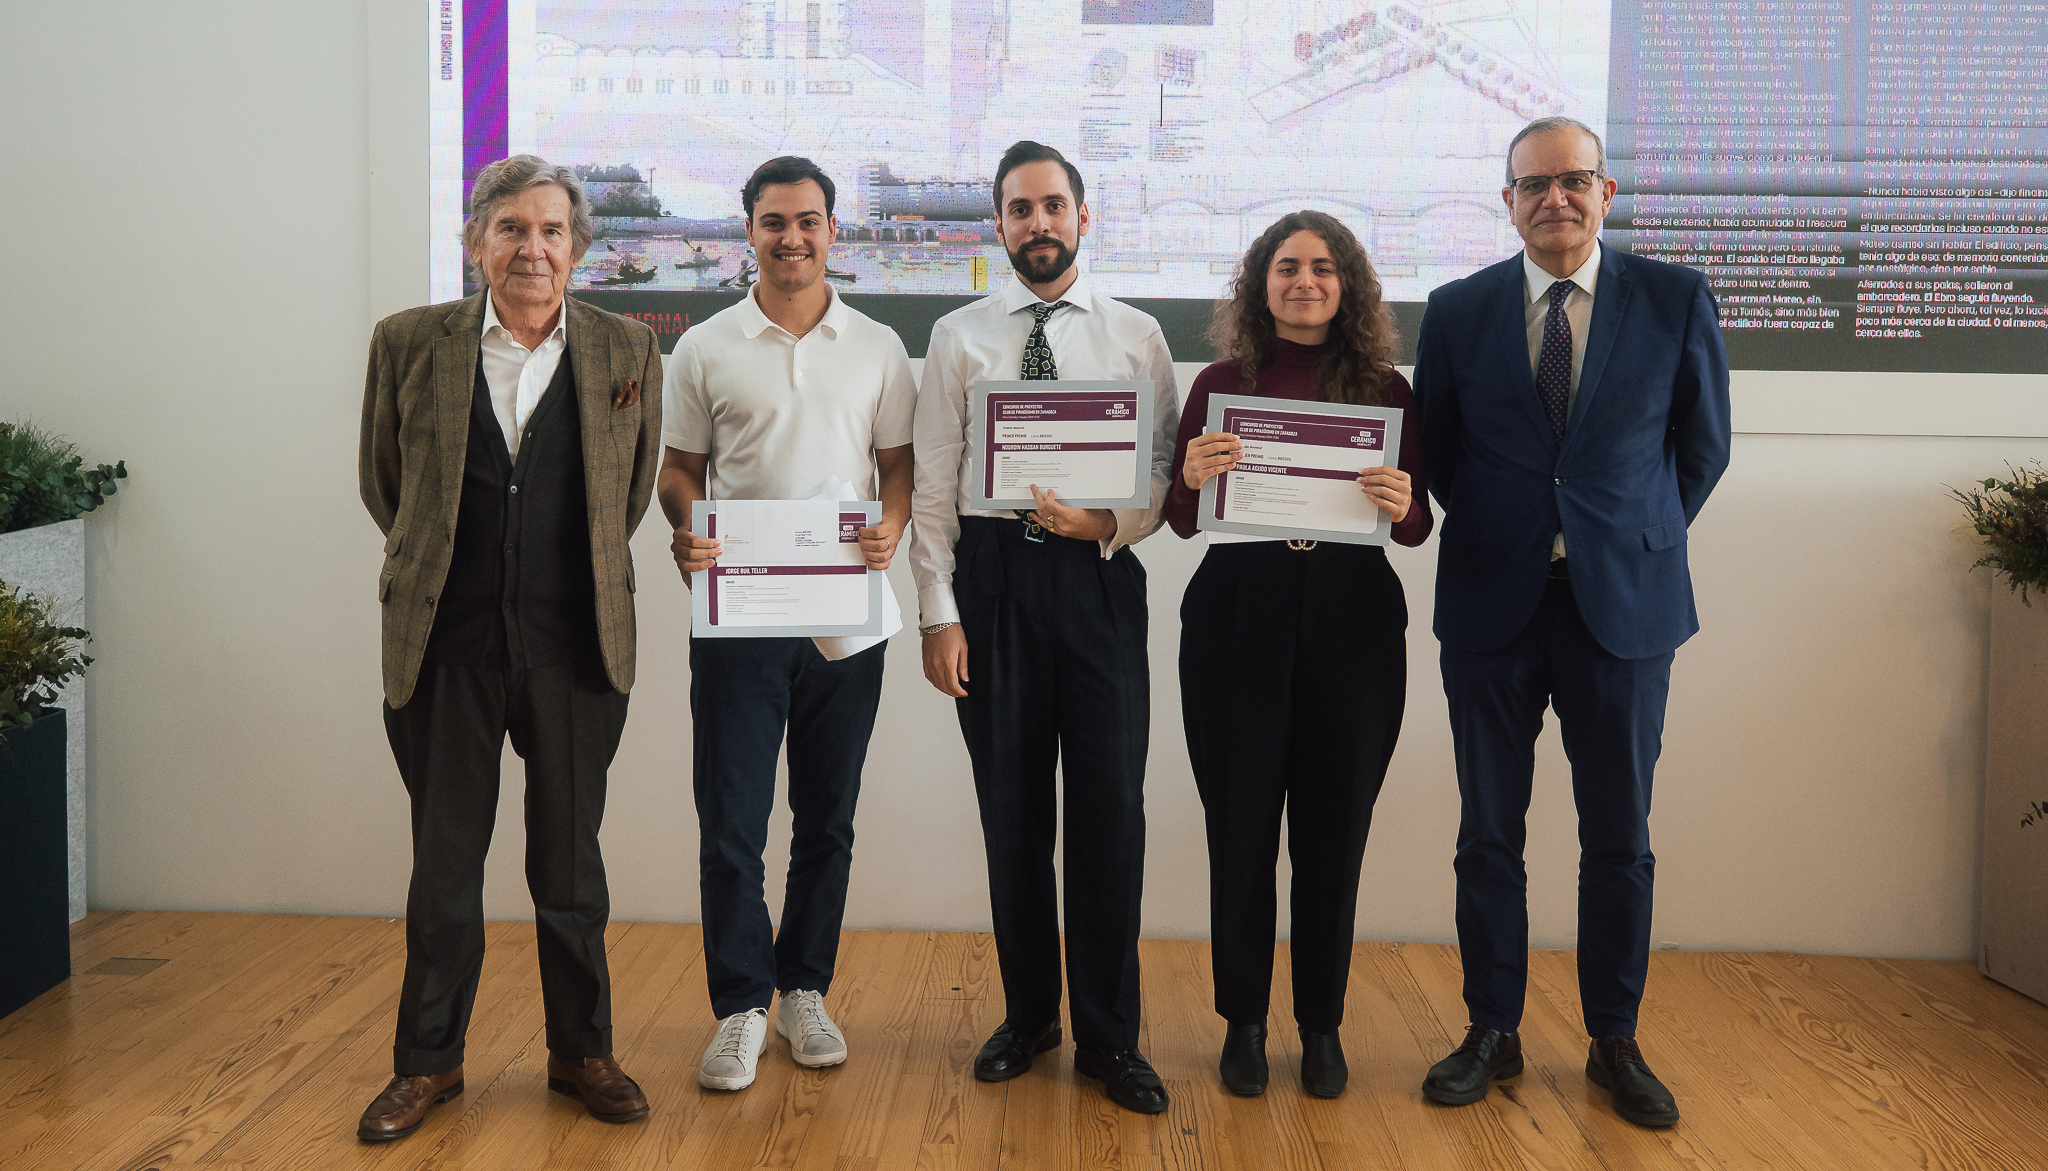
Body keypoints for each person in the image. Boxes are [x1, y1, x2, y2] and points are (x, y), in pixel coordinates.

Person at [1411, 116, 1731, 1128]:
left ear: (1605, 191)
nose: (1554, 198)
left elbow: (1701, 448)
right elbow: (1439, 454)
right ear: (1506, 200)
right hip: (1491, 603)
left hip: (1623, 609)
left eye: (1573, 180)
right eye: (1533, 184)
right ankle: (1490, 1029)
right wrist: (1519, 531)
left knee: (1619, 836)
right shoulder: (1457, 309)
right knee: (1486, 832)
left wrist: (1623, 535)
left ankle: (1613, 1039)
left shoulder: (1674, 298)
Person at [356, 154, 662, 1140]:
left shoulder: (626, 348)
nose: (532, 248)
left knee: (570, 867)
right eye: (511, 229)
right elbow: (386, 484)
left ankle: (582, 1051)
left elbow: (627, 494)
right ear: (475, 241)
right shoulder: (409, 341)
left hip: (576, 643)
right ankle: (427, 1062)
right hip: (446, 643)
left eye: (551, 230)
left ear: (577, 248)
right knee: (444, 864)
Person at [908, 140, 1181, 1114]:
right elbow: (933, 484)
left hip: (1097, 578)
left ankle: (1110, 1036)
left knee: (1109, 813)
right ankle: (1029, 1017)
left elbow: (1163, 471)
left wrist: (1107, 522)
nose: (1038, 223)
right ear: (998, 224)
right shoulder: (958, 336)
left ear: (1082, 217)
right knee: (1013, 813)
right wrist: (939, 614)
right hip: (993, 581)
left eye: (1053, 205)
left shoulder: (1137, 335)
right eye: (1019, 209)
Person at [659, 157, 916, 1092]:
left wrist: (892, 523)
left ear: (833, 229)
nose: (792, 237)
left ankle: (804, 989)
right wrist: (686, 528)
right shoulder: (705, 346)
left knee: (827, 816)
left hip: (846, 616)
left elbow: (898, 465)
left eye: (808, 221)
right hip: (739, 614)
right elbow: (679, 470)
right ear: (750, 232)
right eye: (774, 222)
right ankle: (740, 1004)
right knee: (732, 818)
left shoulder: (878, 345)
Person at [1163, 211, 1432, 1099]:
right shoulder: (1220, 384)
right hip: (1236, 617)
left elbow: (1417, 526)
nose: (1304, 281)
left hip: (1354, 624)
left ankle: (1322, 1024)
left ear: (1348, 284)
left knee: (1333, 832)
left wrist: (1400, 500)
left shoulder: (1386, 388)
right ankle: (1243, 1019)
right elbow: (1180, 518)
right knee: (1239, 827)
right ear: (1261, 283)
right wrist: (1191, 478)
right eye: (1287, 266)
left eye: (1322, 266)